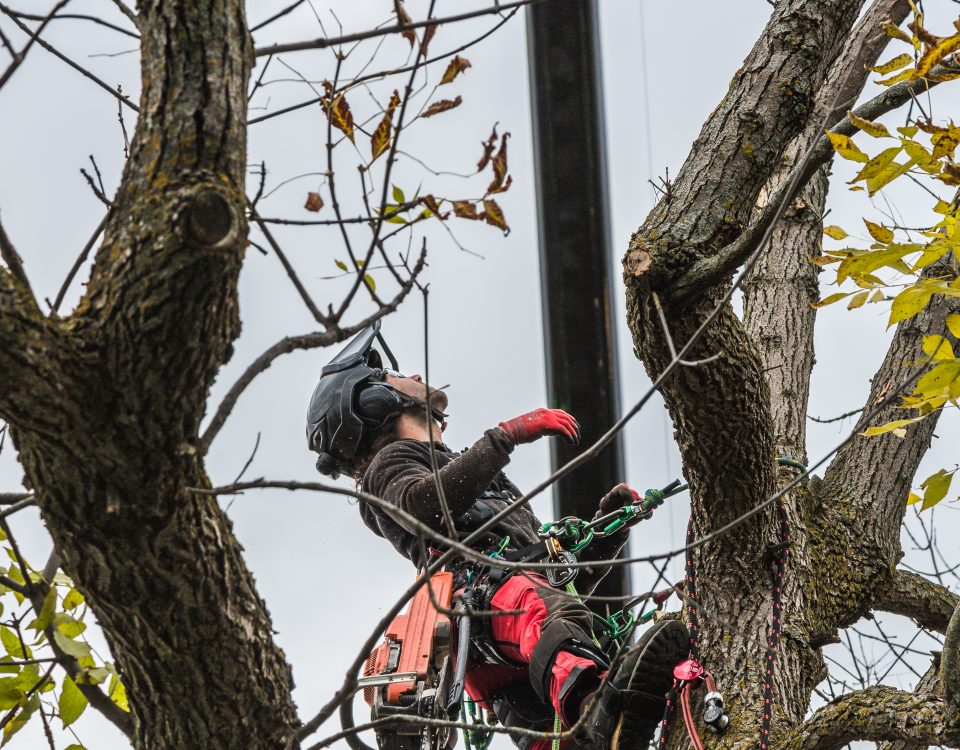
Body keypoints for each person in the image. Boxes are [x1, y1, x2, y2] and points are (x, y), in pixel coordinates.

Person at [306, 324, 688, 750]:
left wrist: (607, 534)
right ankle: (599, 709)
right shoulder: (390, 464)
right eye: (395, 377)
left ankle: (593, 719)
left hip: (516, 643)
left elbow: (556, 579)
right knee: (552, 623)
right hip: (491, 605)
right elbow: (423, 505)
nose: (413, 375)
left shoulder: (471, 475)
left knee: (548, 723)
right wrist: (506, 436)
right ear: (373, 400)